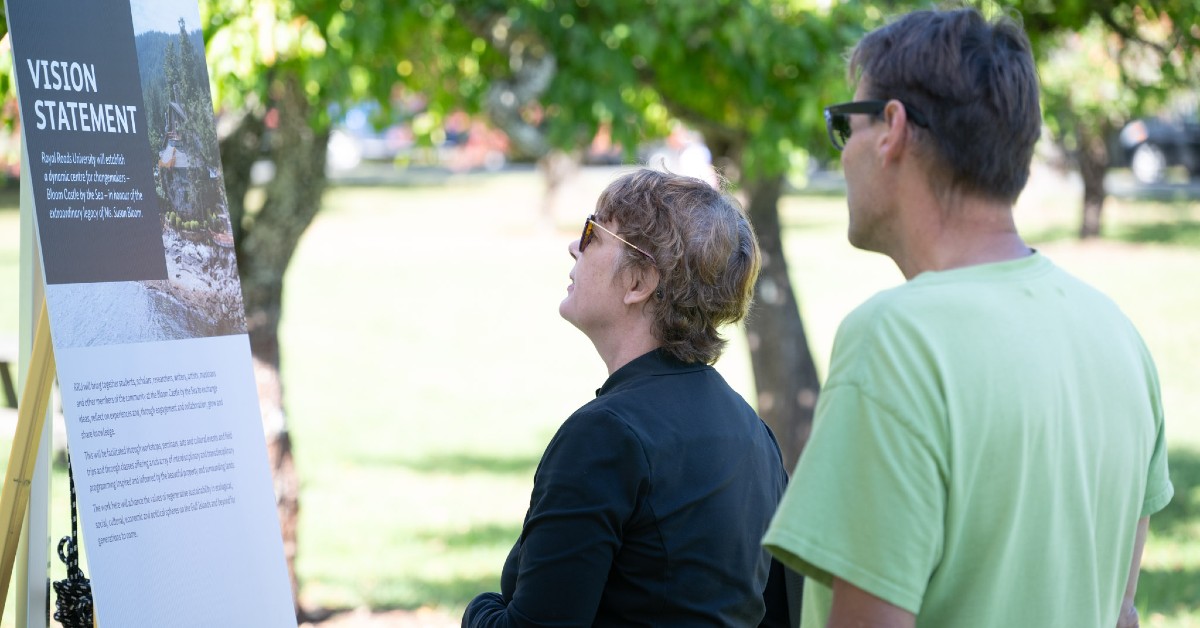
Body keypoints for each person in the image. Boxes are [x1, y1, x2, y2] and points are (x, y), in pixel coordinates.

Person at [763, 7, 1172, 628]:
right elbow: (1120, 613)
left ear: (891, 129)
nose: (843, 155)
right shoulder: (1117, 335)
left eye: (844, 125)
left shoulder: (897, 340)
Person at [463, 168, 791, 626]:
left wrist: (478, 610)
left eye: (593, 233)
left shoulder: (605, 436)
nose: (574, 246)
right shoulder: (755, 436)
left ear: (639, 282)